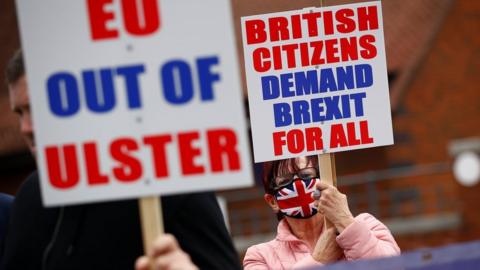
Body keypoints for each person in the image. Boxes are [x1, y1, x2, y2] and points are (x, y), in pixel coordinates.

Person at [1, 49, 241, 270]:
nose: (25, 127)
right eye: (20, 112)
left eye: (37, 108)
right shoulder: (31, 198)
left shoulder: (171, 183)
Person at [243, 156, 401, 269]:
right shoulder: (259, 257)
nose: (298, 185)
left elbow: (394, 266)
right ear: (272, 201)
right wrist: (318, 260)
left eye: (306, 175)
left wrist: (346, 223)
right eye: (285, 182)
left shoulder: (367, 226)